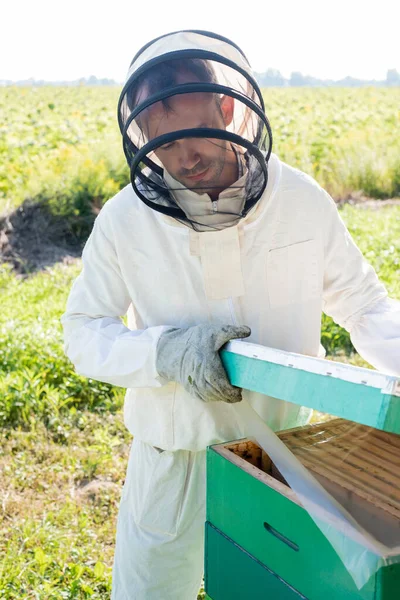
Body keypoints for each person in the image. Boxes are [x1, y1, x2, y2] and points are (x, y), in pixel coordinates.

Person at [61, 30, 400, 600]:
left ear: (228, 111)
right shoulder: (125, 219)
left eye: (194, 136)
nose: (183, 158)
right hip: (175, 457)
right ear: (141, 138)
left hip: (281, 458)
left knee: (270, 589)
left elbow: (364, 304)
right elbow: (82, 331)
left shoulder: (301, 200)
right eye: (163, 145)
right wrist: (163, 352)